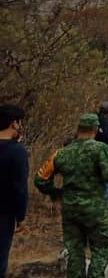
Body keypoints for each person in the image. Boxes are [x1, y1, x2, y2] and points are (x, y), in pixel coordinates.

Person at [34, 113, 108, 278]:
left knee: (74, 252)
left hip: (71, 210)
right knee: (100, 251)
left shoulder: (61, 153)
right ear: (95, 130)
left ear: (78, 129)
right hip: (96, 211)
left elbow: (40, 179)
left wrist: (58, 193)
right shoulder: (100, 149)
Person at [0, 105, 28, 278]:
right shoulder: (17, 151)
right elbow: (19, 188)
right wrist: (21, 216)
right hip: (3, 213)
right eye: (19, 123)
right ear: (13, 124)